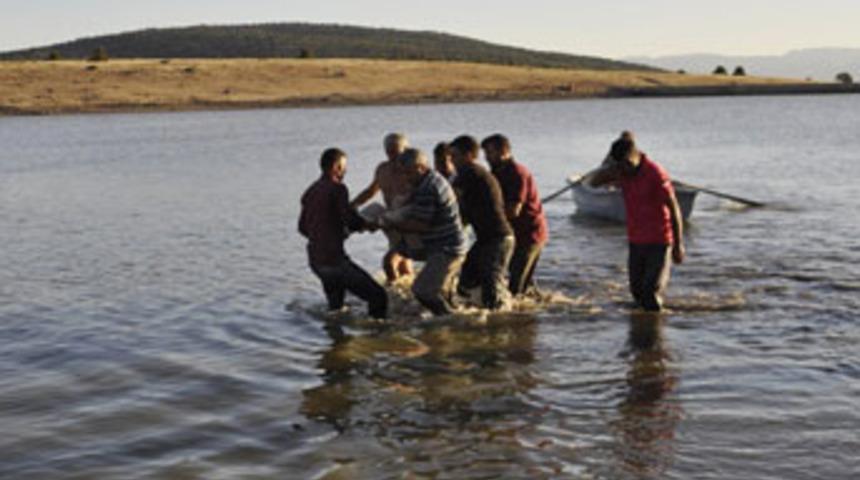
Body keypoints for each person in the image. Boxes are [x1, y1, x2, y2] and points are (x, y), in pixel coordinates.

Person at [588, 132, 685, 312]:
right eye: (621, 166)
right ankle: (642, 331)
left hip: (659, 241)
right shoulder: (621, 173)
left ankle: (654, 334)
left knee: (650, 293)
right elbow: (593, 182)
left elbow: (674, 209)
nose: (626, 170)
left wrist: (678, 244)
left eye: (628, 165)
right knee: (637, 292)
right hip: (636, 240)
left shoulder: (655, 173)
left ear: (636, 156)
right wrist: (611, 170)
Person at [299, 148, 388, 319]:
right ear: (336, 167)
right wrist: (369, 225)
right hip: (335, 261)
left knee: (336, 309)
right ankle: (378, 340)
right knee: (378, 297)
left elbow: (302, 228)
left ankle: (338, 342)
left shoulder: (310, 191)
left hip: (316, 262)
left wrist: (327, 234)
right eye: (344, 167)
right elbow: (351, 221)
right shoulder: (338, 188)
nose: (345, 171)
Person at [380, 148, 467, 315]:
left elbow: (421, 226)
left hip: (446, 249)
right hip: (447, 245)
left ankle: (449, 319)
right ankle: (455, 322)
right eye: (403, 173)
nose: (405, 178)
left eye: (408, 173)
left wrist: (390, 224)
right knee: (441, 293)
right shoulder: (430, 179)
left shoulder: (429, 187)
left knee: (422, 290)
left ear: (421, 167)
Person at [449, 135, 515, 310]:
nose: (452, 161)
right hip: (488, 239)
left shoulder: (470, 173)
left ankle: (498, 323)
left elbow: (450, 201)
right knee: (467, 279)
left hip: (497, 239)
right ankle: (480, 311)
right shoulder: (476, 173)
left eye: (454, 156)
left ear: (469, 155)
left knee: (491, 285)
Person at [482, 134, 549, 297]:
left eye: (489, 153)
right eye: (485, 154)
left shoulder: (517, 173)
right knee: (521, 281)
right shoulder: (498, 172)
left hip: (529, 235)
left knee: (517, 286)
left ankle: (520, 318)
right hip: (516, 234)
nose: (486, 158)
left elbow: (514, 210)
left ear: (503, 151)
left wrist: (487, 220)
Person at [350, 133, 414, 283]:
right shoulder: (382, 169)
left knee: (390, 263)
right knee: (403, 265)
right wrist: (352, 205)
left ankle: (394, 298)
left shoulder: (412, 172)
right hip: (390, 222)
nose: (392, 157)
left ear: (406, 151)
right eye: (389, 152)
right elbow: (371, 191)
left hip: (409, 223)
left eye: (396, 152)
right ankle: (407, 295)